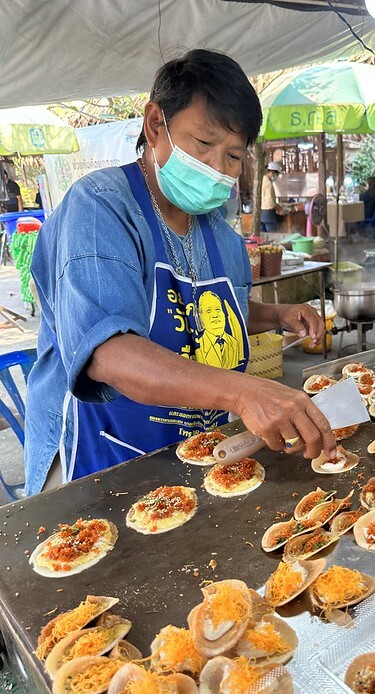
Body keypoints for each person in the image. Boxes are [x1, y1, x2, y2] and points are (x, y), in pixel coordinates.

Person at [25, 49, 336, 495]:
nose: (216, 168)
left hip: (197, 446)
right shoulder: (99, 209)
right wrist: (243, 392)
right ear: (156, 125)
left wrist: (276, 314)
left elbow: (204, 315)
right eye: (204, 144)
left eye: (233, 156)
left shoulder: (221, 235)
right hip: (105, 451)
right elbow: (108, 353)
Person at [260, 161, 284, 232]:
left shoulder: (261, 180)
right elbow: (270, 202)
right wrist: (279, 209)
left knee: (262, 238)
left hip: (260, 214)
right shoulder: (268, 183)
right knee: (272, 237)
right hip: (268, 215)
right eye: (276, 174)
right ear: (272, 172)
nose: (276, 176)